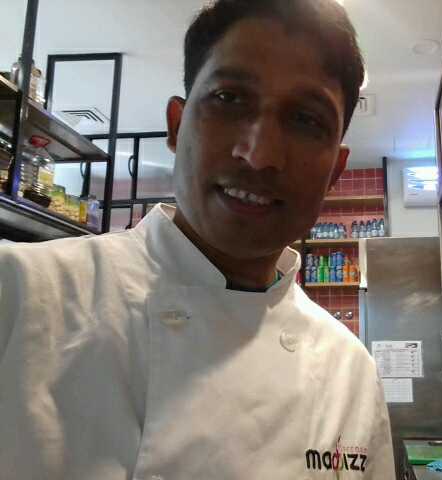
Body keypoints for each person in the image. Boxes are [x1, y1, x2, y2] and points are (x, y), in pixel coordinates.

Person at [0, 0, 395, 478]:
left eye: (306, 120)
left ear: (335, 171)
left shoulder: (351, 376)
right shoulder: (20, 296)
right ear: (175, 125)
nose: (260, 154)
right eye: (229, 98)